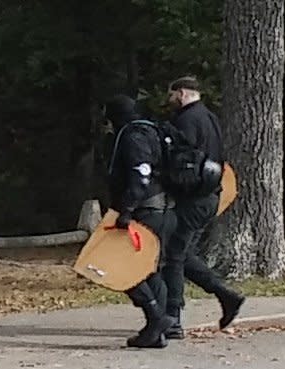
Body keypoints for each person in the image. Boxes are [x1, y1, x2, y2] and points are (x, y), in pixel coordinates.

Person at [161, 76, 245, 339]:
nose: (170, 100)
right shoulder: (210, 118)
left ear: (183, 93)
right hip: (211, 197)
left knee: (173, 256)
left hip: (193, 199)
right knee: (183, 254)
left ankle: (172, 319)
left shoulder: (185, 121)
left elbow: (179, 161)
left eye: (172, 94)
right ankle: (226, 295)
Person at [104, 94, 178, 348]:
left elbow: (140, 173)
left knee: (119, 266)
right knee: (152, 270)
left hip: (145, 210)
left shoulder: (133, 136)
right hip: (163, 208)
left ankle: (156, 318)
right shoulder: (152, 130)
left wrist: (127, 209)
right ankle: (155, 330)